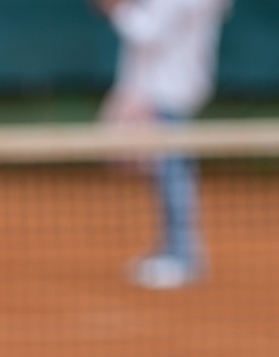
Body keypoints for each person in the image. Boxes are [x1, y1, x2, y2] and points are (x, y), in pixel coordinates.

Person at [94, 0, 232, 289]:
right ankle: (172, 248)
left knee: (173, 174)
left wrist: (115, 9)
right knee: (165, 173)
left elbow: (147, 31)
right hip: (161, 89)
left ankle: (183, 256)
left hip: (169, 90)